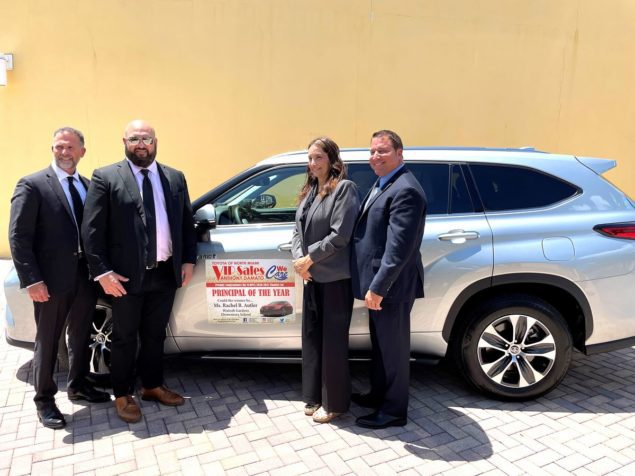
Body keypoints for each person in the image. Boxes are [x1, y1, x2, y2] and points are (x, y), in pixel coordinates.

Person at [82, 119, 197, 423]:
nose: (141, 144)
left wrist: (188, 260)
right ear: (124, 141)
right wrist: (102, 272)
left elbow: (185, 222)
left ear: (155, 142)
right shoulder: (106, 177)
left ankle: (152, 386)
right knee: (124, 337)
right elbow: (91, 230)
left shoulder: (174, 177)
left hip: (164, 273)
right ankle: (122, 393)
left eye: (146, 138)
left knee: (155, 335)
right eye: (135, 138)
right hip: (124, 276)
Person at [9, 127, 110, 429]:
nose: (64, 153)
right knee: (48, 340)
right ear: (52, 149)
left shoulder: (88, 186)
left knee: (80, 335)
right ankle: (44, 401)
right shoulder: (33, 184)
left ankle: (78, 385)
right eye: (58, 147)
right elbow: (18, 236)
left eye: (70, 148)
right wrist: (32, 279)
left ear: (82, 151)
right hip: (50, 282)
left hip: (85, 277)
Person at [350, 130, 427, 429]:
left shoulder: (405, 189)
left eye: (382, 151)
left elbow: (399, 250)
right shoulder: (385, 183)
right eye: (371, 151)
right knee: (381, 347)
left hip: (390, 288)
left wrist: (379, 288)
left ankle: (394, 411)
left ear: (399, 154)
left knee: (393, 351)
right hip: (380, 285)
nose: (375, 157)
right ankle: (378, 395)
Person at [291, 137, 359, 424]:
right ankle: (313, 396)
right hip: (311, 277)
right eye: (310, 158)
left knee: (333, 342)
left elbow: (340, 235)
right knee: (312, 339)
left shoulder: (344, 189)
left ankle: (335, 404)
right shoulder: (310, 191)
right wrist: (299, 261)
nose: (313, 163)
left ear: (332, 159)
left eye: (318, 157)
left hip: (333, 280)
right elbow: (297, 230)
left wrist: (310, 259)